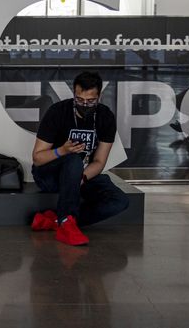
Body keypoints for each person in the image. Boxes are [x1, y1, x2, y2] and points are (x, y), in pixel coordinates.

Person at [30, 71, 129, 246]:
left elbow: (99, 162)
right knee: (73, 159)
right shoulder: (57, 112)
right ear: (74, 94)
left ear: (99, 96)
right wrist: (62, 150)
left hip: (83, 175)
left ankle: (57, 221)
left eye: (90, 101)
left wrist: (81, 178)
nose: (84, 104)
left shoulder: (105, 117)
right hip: (50, 175)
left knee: (119, 201)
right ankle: (66, 224)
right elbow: (38, 158)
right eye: (79, 99)